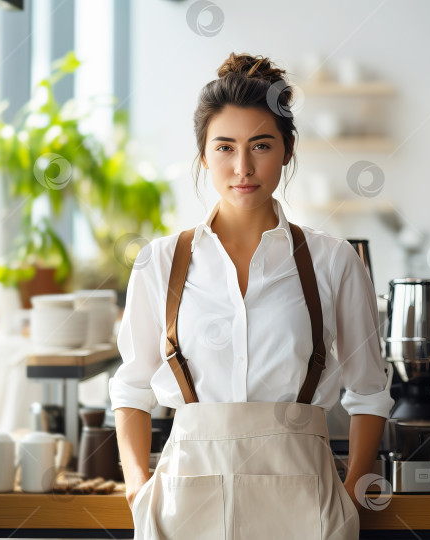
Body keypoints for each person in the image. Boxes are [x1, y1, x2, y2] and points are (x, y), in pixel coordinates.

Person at [109, 52, 394, 540]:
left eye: (261, 145)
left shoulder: (334, 261)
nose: (243, 167)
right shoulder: (158, 262)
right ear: (203, 156)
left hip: (306, 504)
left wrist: (349, 494)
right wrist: (137, 487)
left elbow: (369, 390)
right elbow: (132, 388)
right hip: (182, 509)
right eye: (225, 147)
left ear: (286, 150)